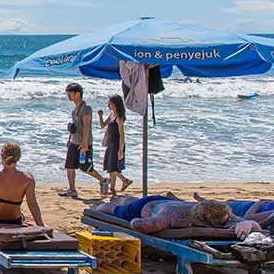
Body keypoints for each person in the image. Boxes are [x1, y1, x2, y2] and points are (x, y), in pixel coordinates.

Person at [93, 195, 259, 238]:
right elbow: (138, 224)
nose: (228, 221)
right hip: (148, 206)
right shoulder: (173, 216)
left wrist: (249, 224)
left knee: (127, 201)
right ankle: (99, 206)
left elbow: (253, 224)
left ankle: (124, 197)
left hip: (168, 202)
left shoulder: (223, 214)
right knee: (119, 210)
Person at [58, 83, 109, 197]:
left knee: (86, 168)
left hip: (84, 143)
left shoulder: (86, 108)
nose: (68, 96)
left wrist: (85, 142)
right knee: (69, 166)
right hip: (74, 141)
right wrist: (69, 139)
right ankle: (72, 190)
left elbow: (87, 125)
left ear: (78, 93)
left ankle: (103, 180)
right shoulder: (74, 110)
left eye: (70, 94)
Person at [97, 94, 133, 195]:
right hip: (111, 143)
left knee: (112, 167)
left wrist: (120, 150)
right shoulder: (112, 114)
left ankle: (114, 187)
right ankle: (123, 182)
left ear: (116, 104)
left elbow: (122, 135)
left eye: (110, 103)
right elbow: (102, 125)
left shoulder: (119, 117)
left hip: (117, 144)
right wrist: (100, 116)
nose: (108, 105)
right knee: (111, 167)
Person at [192, 192, 274, 222]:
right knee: (229, 201)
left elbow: (248, 217)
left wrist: (259, 203)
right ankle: (203, 201)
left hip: (242, 210)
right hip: (248, 205)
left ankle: (202, 201)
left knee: (211, 207)